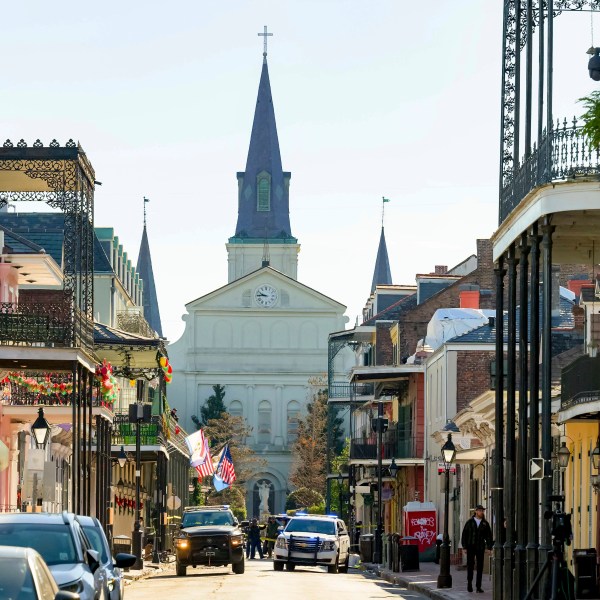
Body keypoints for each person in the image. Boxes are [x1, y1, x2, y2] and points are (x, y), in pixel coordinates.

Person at [461, 504, 493, 593]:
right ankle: (469, 584)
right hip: (470, 546)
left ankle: (478, 586)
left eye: (482, 511)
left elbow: (489, 536)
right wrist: (464, 547)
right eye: (480, 510)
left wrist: (489, 547)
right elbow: (464, 535)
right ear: (476, 511)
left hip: (480, 547)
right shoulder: (469, 522)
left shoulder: (485, 523)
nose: (481, 512)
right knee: (470, 565)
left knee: (480, 566)